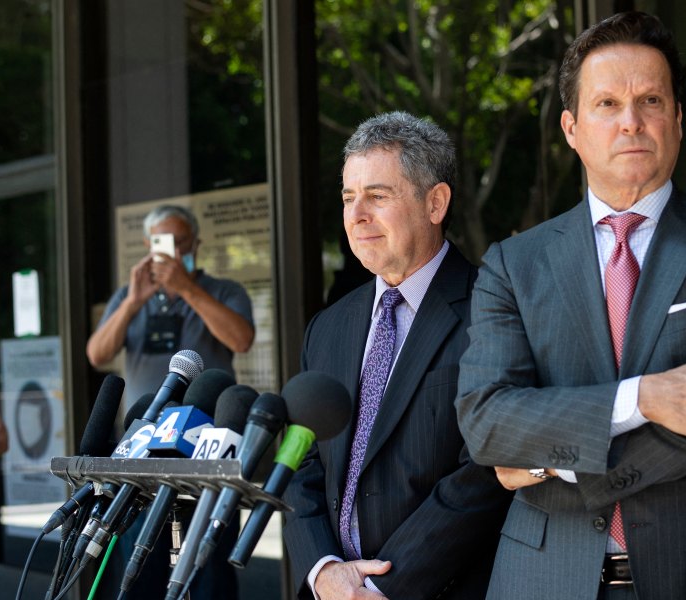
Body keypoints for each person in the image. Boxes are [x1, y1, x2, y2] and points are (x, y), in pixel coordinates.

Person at [455, 11, 686, 600]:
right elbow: (487, 421)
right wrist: (644, 398)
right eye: (607, 104)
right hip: (544, 580)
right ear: (571, 127)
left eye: (651, 100)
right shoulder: (512, 265)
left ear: (678, 119)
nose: (631, 123)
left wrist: (544, 462)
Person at [282, 111, 511, 599]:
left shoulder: (491, 308)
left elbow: (484, 473)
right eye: (348, 198)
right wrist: (324, 573)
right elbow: (299, 464)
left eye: (377, 197)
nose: (356, 215)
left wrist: (381, 589)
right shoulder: (327, 328)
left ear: (435, 203)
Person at [86, 203, 253, 599]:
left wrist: (187, 289)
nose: (174, 252)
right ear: (147, 245)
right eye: (164, 243)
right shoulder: (131, 295)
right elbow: (97, 353)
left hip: (208, 449)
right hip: (144, 449)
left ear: (196, 243)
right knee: (136, 568)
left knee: (207, 571)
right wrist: (133, 301)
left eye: (181, 243)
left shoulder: (224, 290)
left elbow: (240, 339)